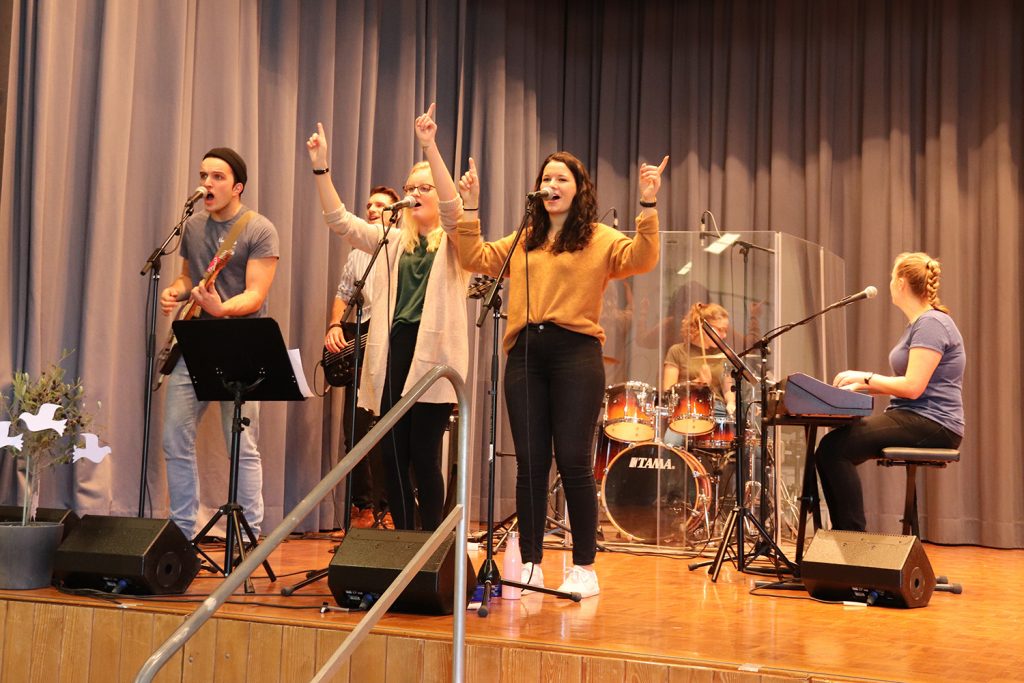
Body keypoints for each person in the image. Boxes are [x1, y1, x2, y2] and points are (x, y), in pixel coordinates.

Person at [455, 151, 668, 598]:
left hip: (576, 352)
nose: (551, 185)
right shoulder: (526, 238)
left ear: (578, 188)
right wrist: (470, 206)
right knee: (530, 463)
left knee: (573, 460)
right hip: (525, 353)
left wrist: (648, 204)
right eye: (546, 178)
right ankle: (531, 564)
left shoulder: (598, 237)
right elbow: (474, 255)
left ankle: (584, 567)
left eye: (561, 178)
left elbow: (643, 257)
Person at [306, 104, 467, 531]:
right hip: (396, 348)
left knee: (423, 454)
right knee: (392, 450)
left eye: (424, 187)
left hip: (434, 354)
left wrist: (429, 147)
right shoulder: (392, 239)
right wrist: (321, 169)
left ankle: (432, 538)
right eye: (410, 187)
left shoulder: (455, 240)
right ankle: (404, 537)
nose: (414, 193)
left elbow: (452, 206)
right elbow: (341, 222)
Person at [159, 147, 280, 541]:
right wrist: (175, 291)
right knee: (174, 436)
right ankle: (182, 531)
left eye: (217, 177)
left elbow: (256, 295)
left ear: (237, 186)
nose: (206, 184)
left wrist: (222, 308)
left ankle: (248, 533)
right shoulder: (193, 226)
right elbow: (188, 276)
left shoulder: (259, 229)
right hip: (196, 339)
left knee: (240, 442)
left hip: (240, 342)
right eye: (203, 176)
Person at [815, 252, 965, 531]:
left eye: (891, 277)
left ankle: (852, 542)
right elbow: (909, 384)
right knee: (832, 448)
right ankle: (845, 540)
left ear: (901, 283)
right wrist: (863, 386)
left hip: (934, 422)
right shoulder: (920, 324)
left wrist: (866, 378)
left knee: (834, 449)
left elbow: (913, 387)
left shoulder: (932, 324)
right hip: (916, 417)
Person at [324, 186, 400, 529]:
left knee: (383, 429)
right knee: (353, 429)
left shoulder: (401, 249)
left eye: (380, 205)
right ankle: (362, 506)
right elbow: (344, 293)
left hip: (391, 336)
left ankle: (388, 506)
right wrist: (334, 325)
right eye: (369, 204)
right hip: (362, 333)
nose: (371, 209)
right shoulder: (358, 252)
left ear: (396, 214)